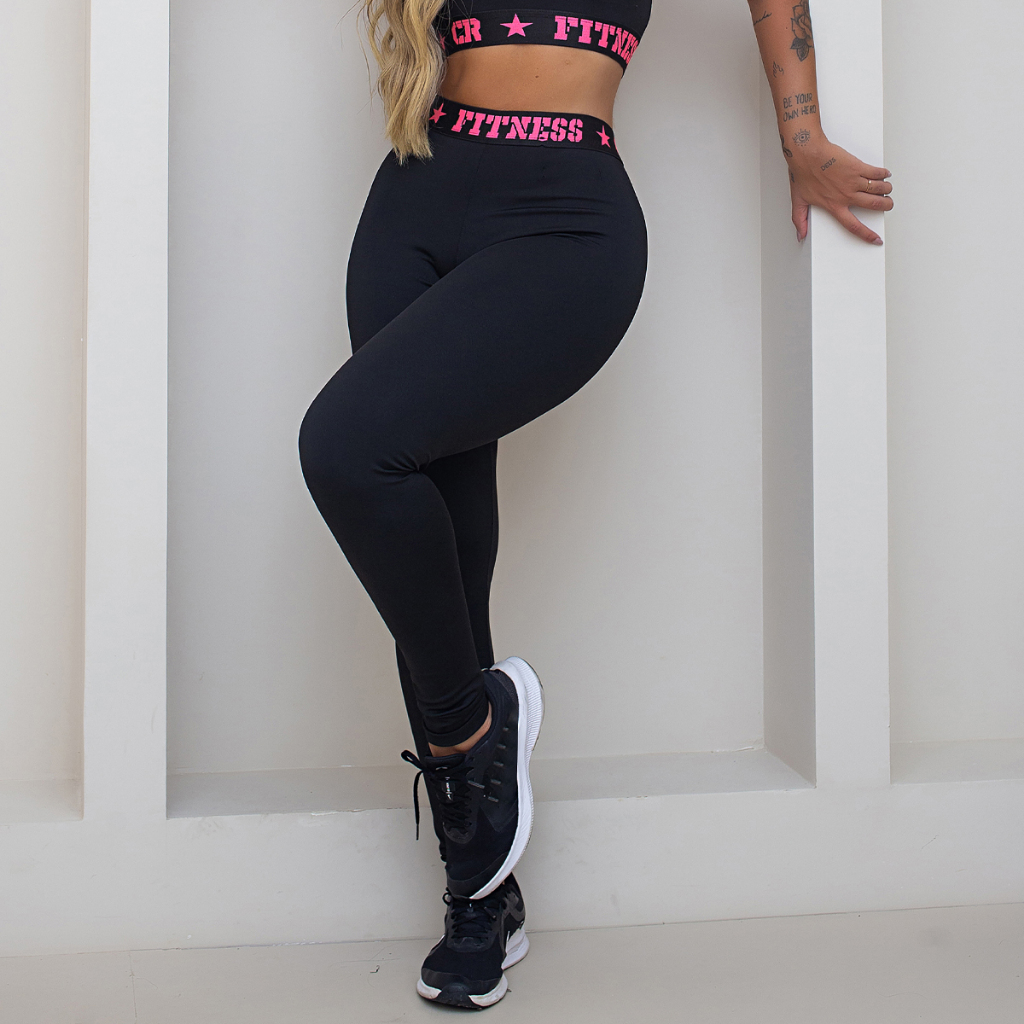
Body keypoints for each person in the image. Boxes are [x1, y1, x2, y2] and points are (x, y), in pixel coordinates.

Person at [298, 0, 893, 1008]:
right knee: (438, 556)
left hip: (565, 218)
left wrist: (801, 137)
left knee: (345, 449)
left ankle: (468, 728)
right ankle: (481, 892)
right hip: (414, 199)